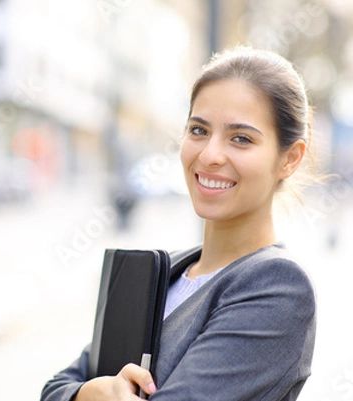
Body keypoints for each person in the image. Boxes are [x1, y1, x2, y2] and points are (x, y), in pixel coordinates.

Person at [41, 45, 317, 401]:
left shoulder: (278, 287)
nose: (210, 155)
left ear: (290, 159)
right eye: (199, 130)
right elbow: (54, 389)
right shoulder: (160, 270)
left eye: (241, 138)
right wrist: (87, 395)